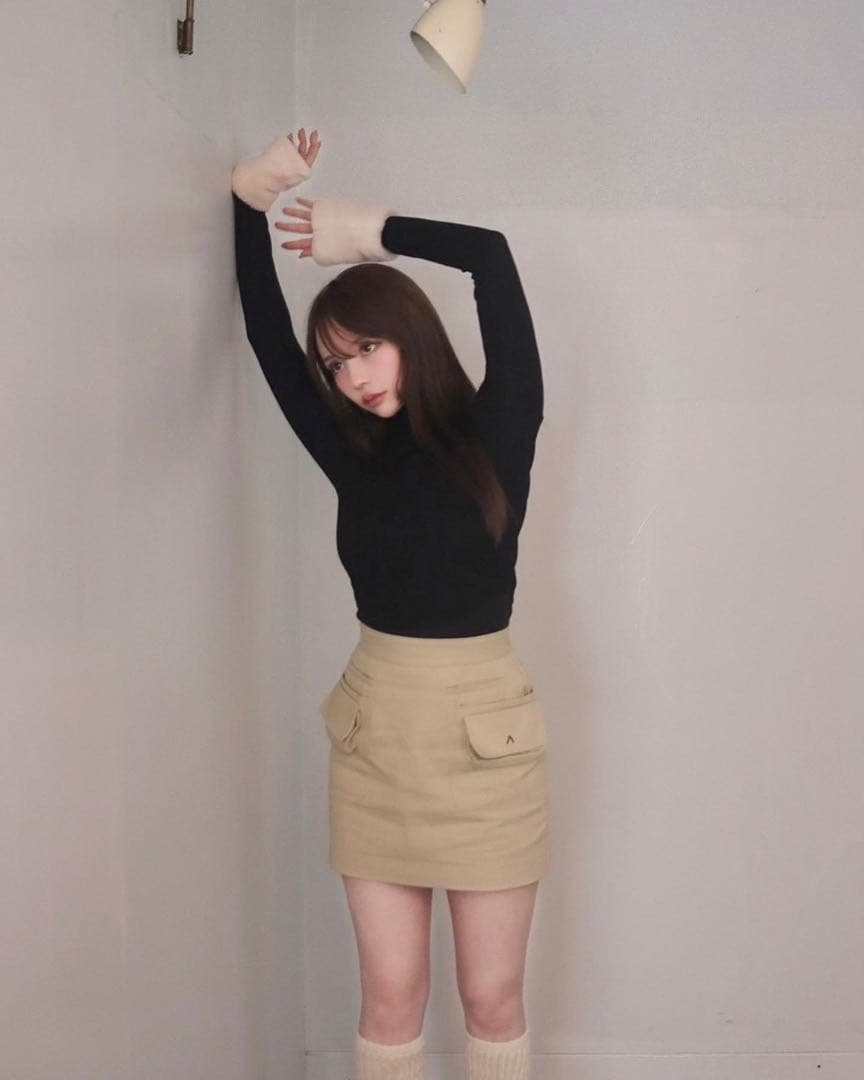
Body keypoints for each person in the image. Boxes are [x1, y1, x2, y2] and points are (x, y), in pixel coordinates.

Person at [232, 127, 550, 1080]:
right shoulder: (352, 454)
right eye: (337, 364)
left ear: (410, 333)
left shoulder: (500, 427)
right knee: (388, 998)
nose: (354, 377)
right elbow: (265, 334)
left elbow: (491, 255)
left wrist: (369, 232)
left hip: (486, 746)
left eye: (366, 347)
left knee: (492, 999)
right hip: (375, 743)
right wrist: (248, 205)